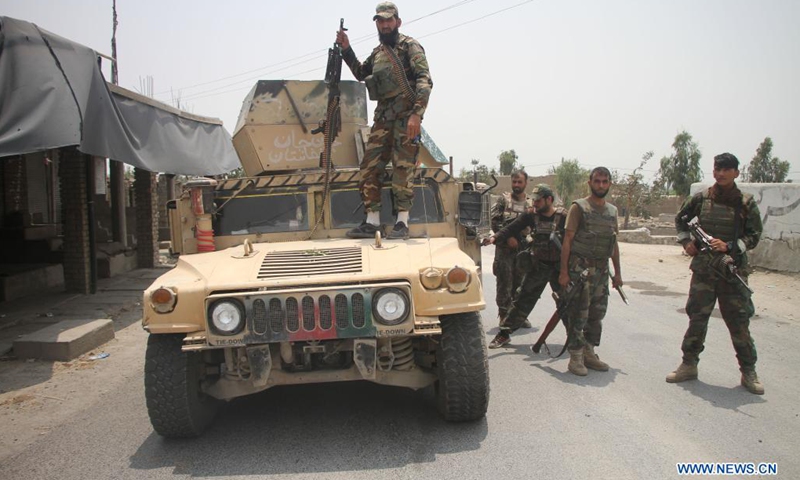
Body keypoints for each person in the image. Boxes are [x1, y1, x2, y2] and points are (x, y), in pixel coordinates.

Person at [667, 153, 764, 394]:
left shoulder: (746, 203)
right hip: (704, 271)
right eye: (717, 169)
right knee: (697, 318)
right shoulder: (700, 199)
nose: (720, 173)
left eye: (726, 169)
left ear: (736, 173)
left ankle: (748, 371)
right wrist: (686, 242)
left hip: (732, 270)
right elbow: (681, 220)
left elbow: (754, 235)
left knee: (738, 321)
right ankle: (689, 364)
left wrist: (730, 246)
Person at [337, 2, 433, 240]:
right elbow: (361, 72)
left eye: (389, 20)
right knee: (369, 168)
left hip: (406, 119)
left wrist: (416, 114)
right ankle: (372, 222)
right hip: (383, 119)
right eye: (381, 21)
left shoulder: (410, 46)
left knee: (403, 168)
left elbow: (424, 80)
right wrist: (347, 49)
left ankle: (402, 223)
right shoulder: (378, 53)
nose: (385, 24)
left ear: (398, 22)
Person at [558, 167, 623, 376]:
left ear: (610, 184)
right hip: (580, 269)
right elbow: (567, 240)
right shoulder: (579, 207)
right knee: (579, 313)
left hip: (602, 271)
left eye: (605, 181)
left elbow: (614, 244)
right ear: (590, 182)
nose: (601, 185)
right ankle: (575, 357)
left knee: (597, 313)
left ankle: (589, 351)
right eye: (597, 181)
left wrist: (618, 274)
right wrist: (564, 272)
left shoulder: (612, 211)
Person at [486, 184, 567, 348]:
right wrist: (494, 238)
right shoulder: (531, 215)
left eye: (538, 201)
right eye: (534, 200)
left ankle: (576, 340)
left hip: (560, 268)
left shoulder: (564, 217)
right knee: (522, 299)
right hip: (538, 266)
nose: (534, 204)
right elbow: (511, 228)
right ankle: (504, 334)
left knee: (568, 303)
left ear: (549, 200)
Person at [489, 171, 533, 327]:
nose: (516, 185)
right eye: (514, 182)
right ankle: (504, 315)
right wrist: (508, 238)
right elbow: (494, 221)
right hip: (504, 250)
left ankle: (518, 316)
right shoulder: (503, 200)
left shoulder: (531, 204)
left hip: (522, 251)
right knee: (504, 283)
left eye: (519, 182)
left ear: (525, 183)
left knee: (521, 284)